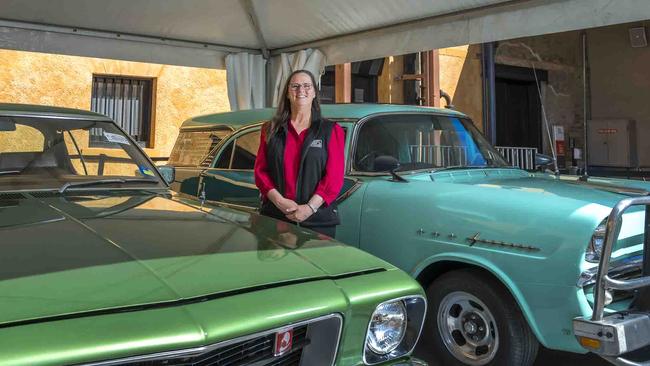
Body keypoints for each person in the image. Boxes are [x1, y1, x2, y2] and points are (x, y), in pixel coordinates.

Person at [254, 69, 345, 238]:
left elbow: (334, 177)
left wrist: (310, 208)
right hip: (276, 217)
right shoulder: (270, 129)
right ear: (287, 94)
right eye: (295, 86)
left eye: (306, 86)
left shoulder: (331, 131)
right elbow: (261, 172)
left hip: (317, 221)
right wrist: (279, 202)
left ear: (314, 93)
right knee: (279, 266)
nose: (301, 91)